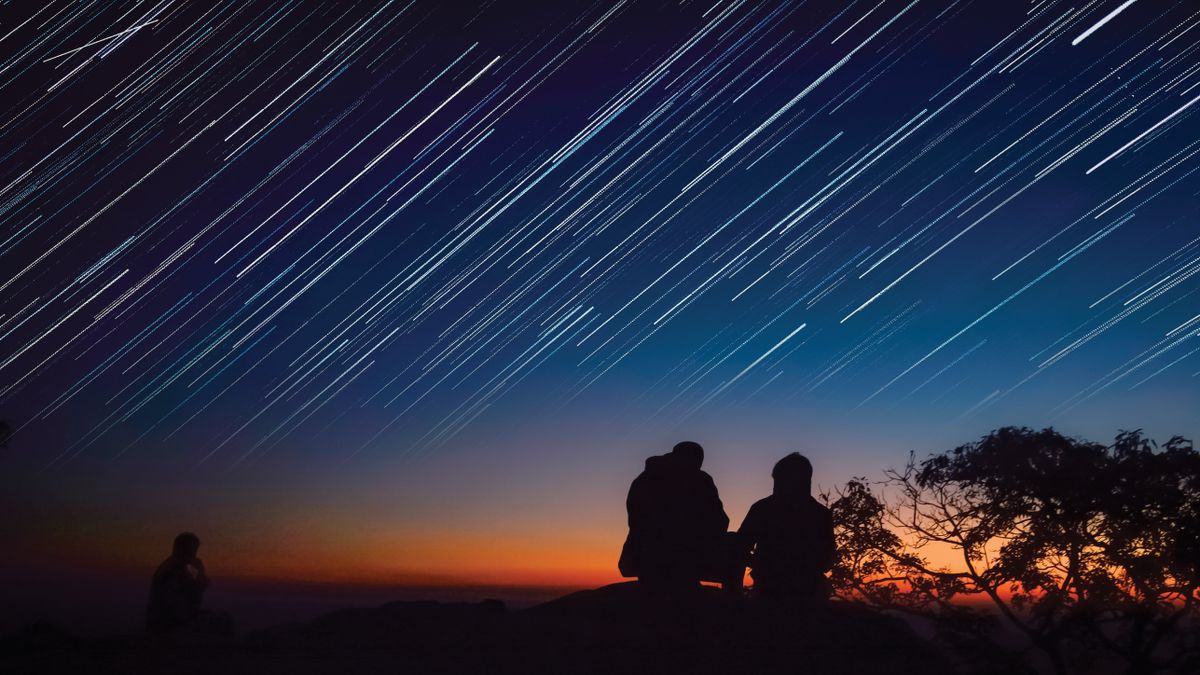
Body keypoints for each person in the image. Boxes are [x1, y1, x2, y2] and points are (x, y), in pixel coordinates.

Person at [618, 441, 738, 591]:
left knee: (653, 598)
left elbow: (636, 518)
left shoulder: (645, 478)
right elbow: (718, 519)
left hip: (644, 556)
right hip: (685, 556)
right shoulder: (699, 480)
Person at [737, 453, 835, 603]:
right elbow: (828, 559)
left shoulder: (762, 509)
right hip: (806, 592)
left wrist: (760, 564)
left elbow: (741, 547)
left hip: (772, 591)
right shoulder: (821, 514)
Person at [146, 532, 232, 639]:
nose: (194, 553)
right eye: (192, 548)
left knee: (224, 619)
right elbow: (173, 601)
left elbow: (203, 581)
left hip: (180, 618)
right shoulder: (173, 568)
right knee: (223, 623)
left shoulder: (185, 565)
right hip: (169, 623)